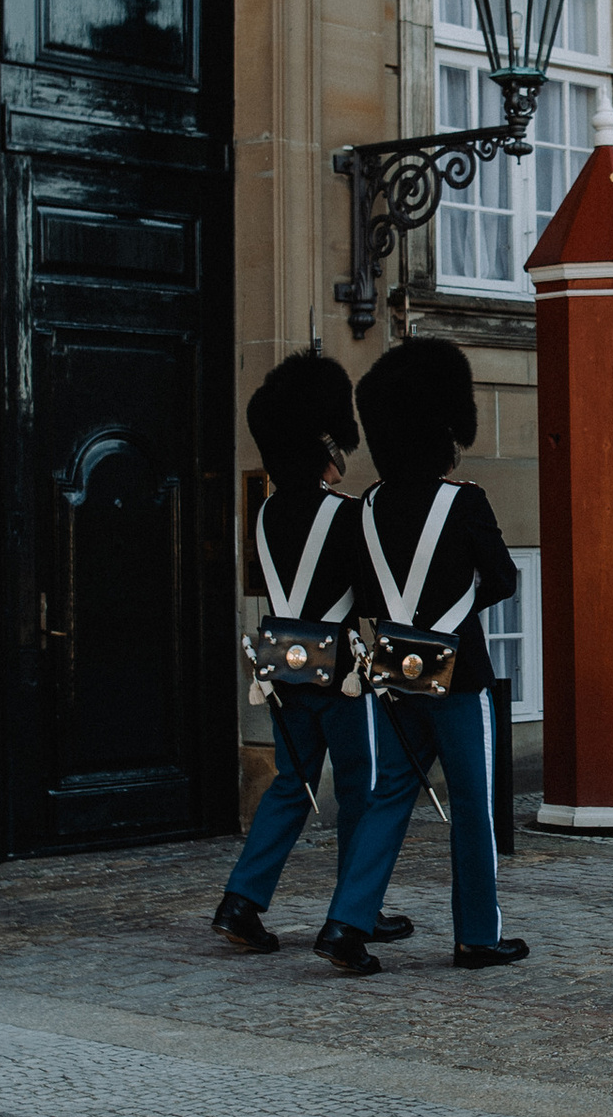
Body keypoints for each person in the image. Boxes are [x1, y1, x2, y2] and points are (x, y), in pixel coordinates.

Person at [315, 336, 526, 977]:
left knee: (386, 797)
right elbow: (504, 580)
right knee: (473, 803)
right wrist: (453, 610)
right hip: (458, 676)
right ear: (439, 433)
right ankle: (477, 937)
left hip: (394, 672)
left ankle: (345, 923)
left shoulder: (367, 506)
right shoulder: (463, 501)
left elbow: (360, 586)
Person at [211, 352, 412, 959]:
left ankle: (242, 901)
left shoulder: (268, 513)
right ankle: (358, 909)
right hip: (342, 672)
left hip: (282, 663)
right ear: (324, 449)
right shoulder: (349, 513)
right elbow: (376, 593)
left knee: (290, 784)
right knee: (364, 788)